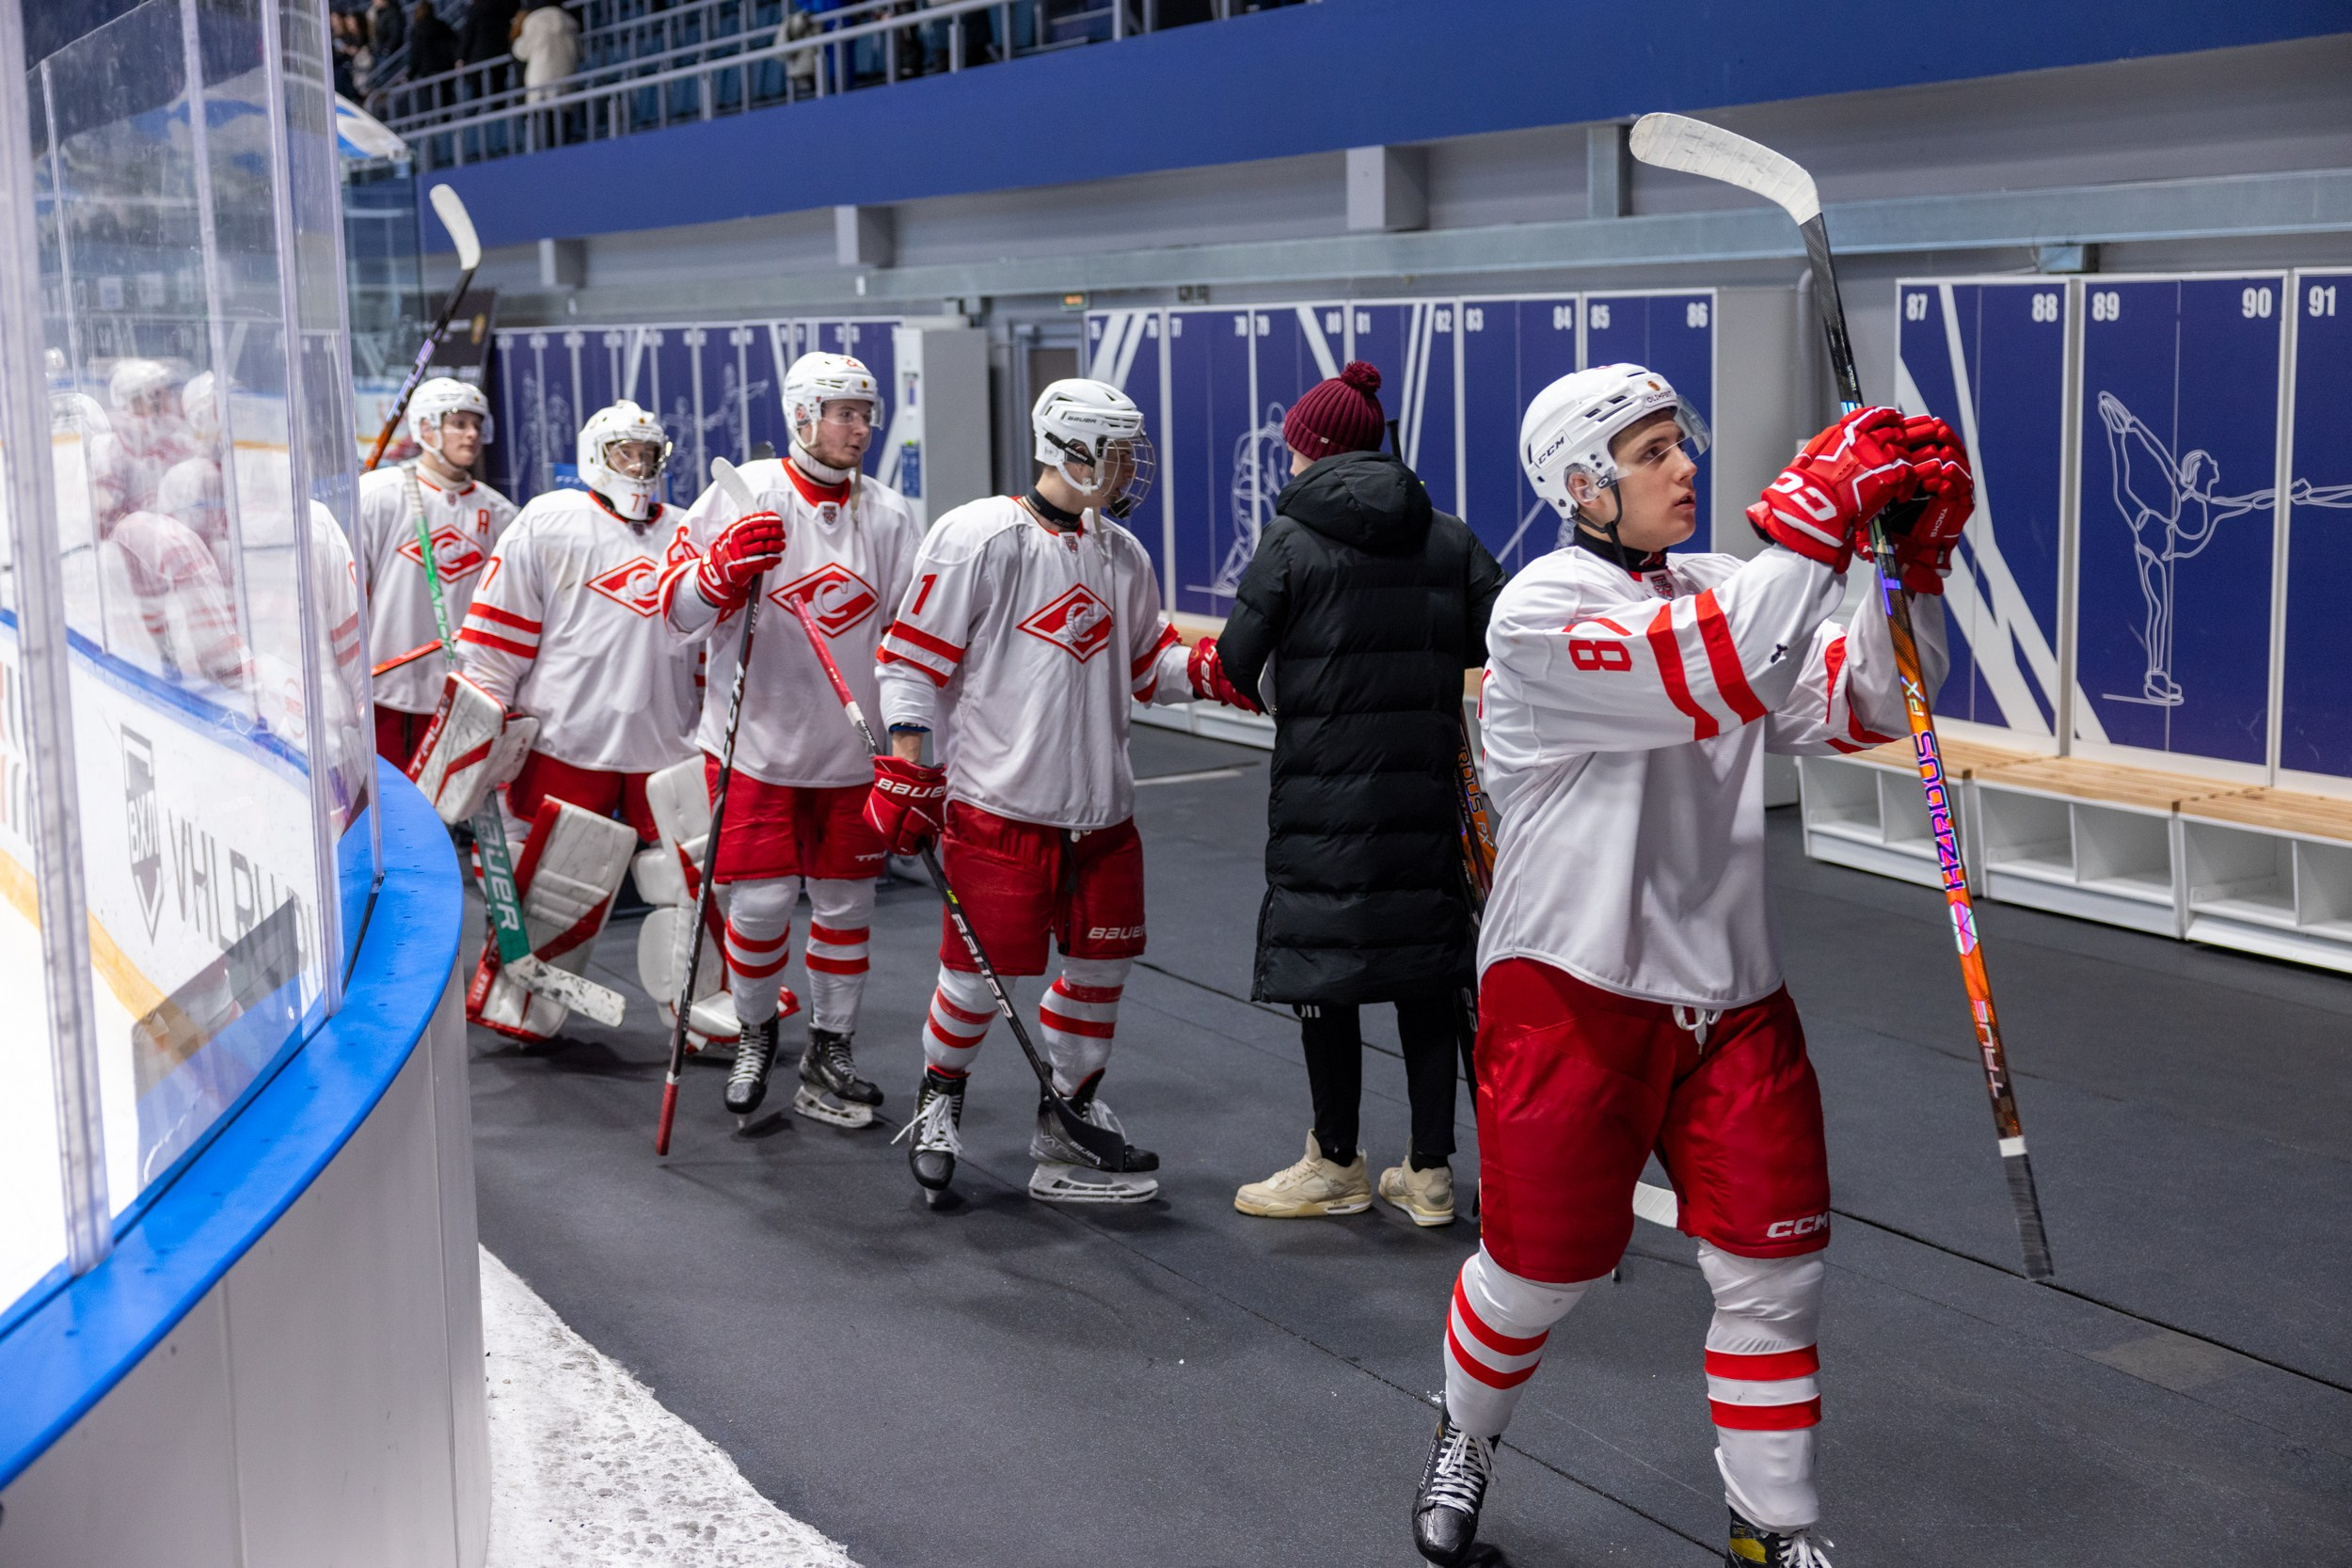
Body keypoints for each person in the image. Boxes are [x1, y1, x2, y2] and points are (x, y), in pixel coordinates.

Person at [1406, 365, 1975, 1568]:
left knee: (1776, 1271)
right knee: (1533, 1273)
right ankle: (1463, 1428)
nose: (1684, 466)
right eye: (1653, 450)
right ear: (1580, 483)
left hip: (1734, 996)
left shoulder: (1726, 582)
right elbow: (1705, 668)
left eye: (1682, 442)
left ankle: (1774, 1527)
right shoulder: (1539, 612)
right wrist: (1813, 518)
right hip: (1570, 992)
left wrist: (1905, 566)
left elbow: (1867, 699)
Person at [869, 378, 1260, 1207]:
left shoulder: (1122, 553)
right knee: (976, 980)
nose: (1127, 469)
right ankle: (940, 1094)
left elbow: (1147, 664)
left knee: (1098, 974)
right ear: (1071, 450)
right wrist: (910, 762)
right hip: (1000, 808)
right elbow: (910, 660)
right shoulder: (977, 536)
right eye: (1116, 452)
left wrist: (1219, 670)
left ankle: (1068, 1110)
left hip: (1104, 816)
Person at [1219, 361, 1502, 1228]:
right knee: (1427, 971)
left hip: (1324, 798)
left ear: (1307, 446)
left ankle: (1335, 1161)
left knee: (1326, 971)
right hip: (1422, 789)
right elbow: (1500, 635)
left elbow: (1235, 662)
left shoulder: (1291, 541)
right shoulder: (1447, 534)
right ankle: (1430, 1173)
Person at [659, 353, 922, 1128]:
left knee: (846, 903)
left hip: (851, 753)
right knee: (765, 900)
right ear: (802, 415)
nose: (861, 427)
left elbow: (911, 633)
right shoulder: (741, 495)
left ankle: (831, 1043)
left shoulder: (890, 514)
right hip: (756, 747)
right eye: (844, 412)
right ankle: (756, 1030)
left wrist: (915, 748)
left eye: (866, 413)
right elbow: (673, 614)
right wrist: (719, 574)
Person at [419, 400, 700, 1041]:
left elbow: (706, 647)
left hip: (667, 740)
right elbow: (493, 643)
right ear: (595, 456)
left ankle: (700, 1004)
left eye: (647, 452)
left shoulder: (687, 530)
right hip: (566, 737)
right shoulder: (549, 521)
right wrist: (478, 730)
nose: (637, 464)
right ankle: (520, 1000)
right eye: (623, 452)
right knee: (547, 878)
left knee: (695, 882)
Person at [355, 377, 518, 770]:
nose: (472, 434)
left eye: (477, 424)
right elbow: (351, 590)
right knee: (391, 808)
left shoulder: (500, 514)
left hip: (466, 694)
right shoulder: (378, 494)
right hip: (388, 692)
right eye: (458, 423)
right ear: (425, 428)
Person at [511, 0, 580, 144]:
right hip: (565, 84)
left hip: (540, 86)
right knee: (561, 132)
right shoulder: (570, 21)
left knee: (542, 136)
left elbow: (522, 51)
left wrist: (516, 39)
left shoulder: (534, 21)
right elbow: (580, 52)